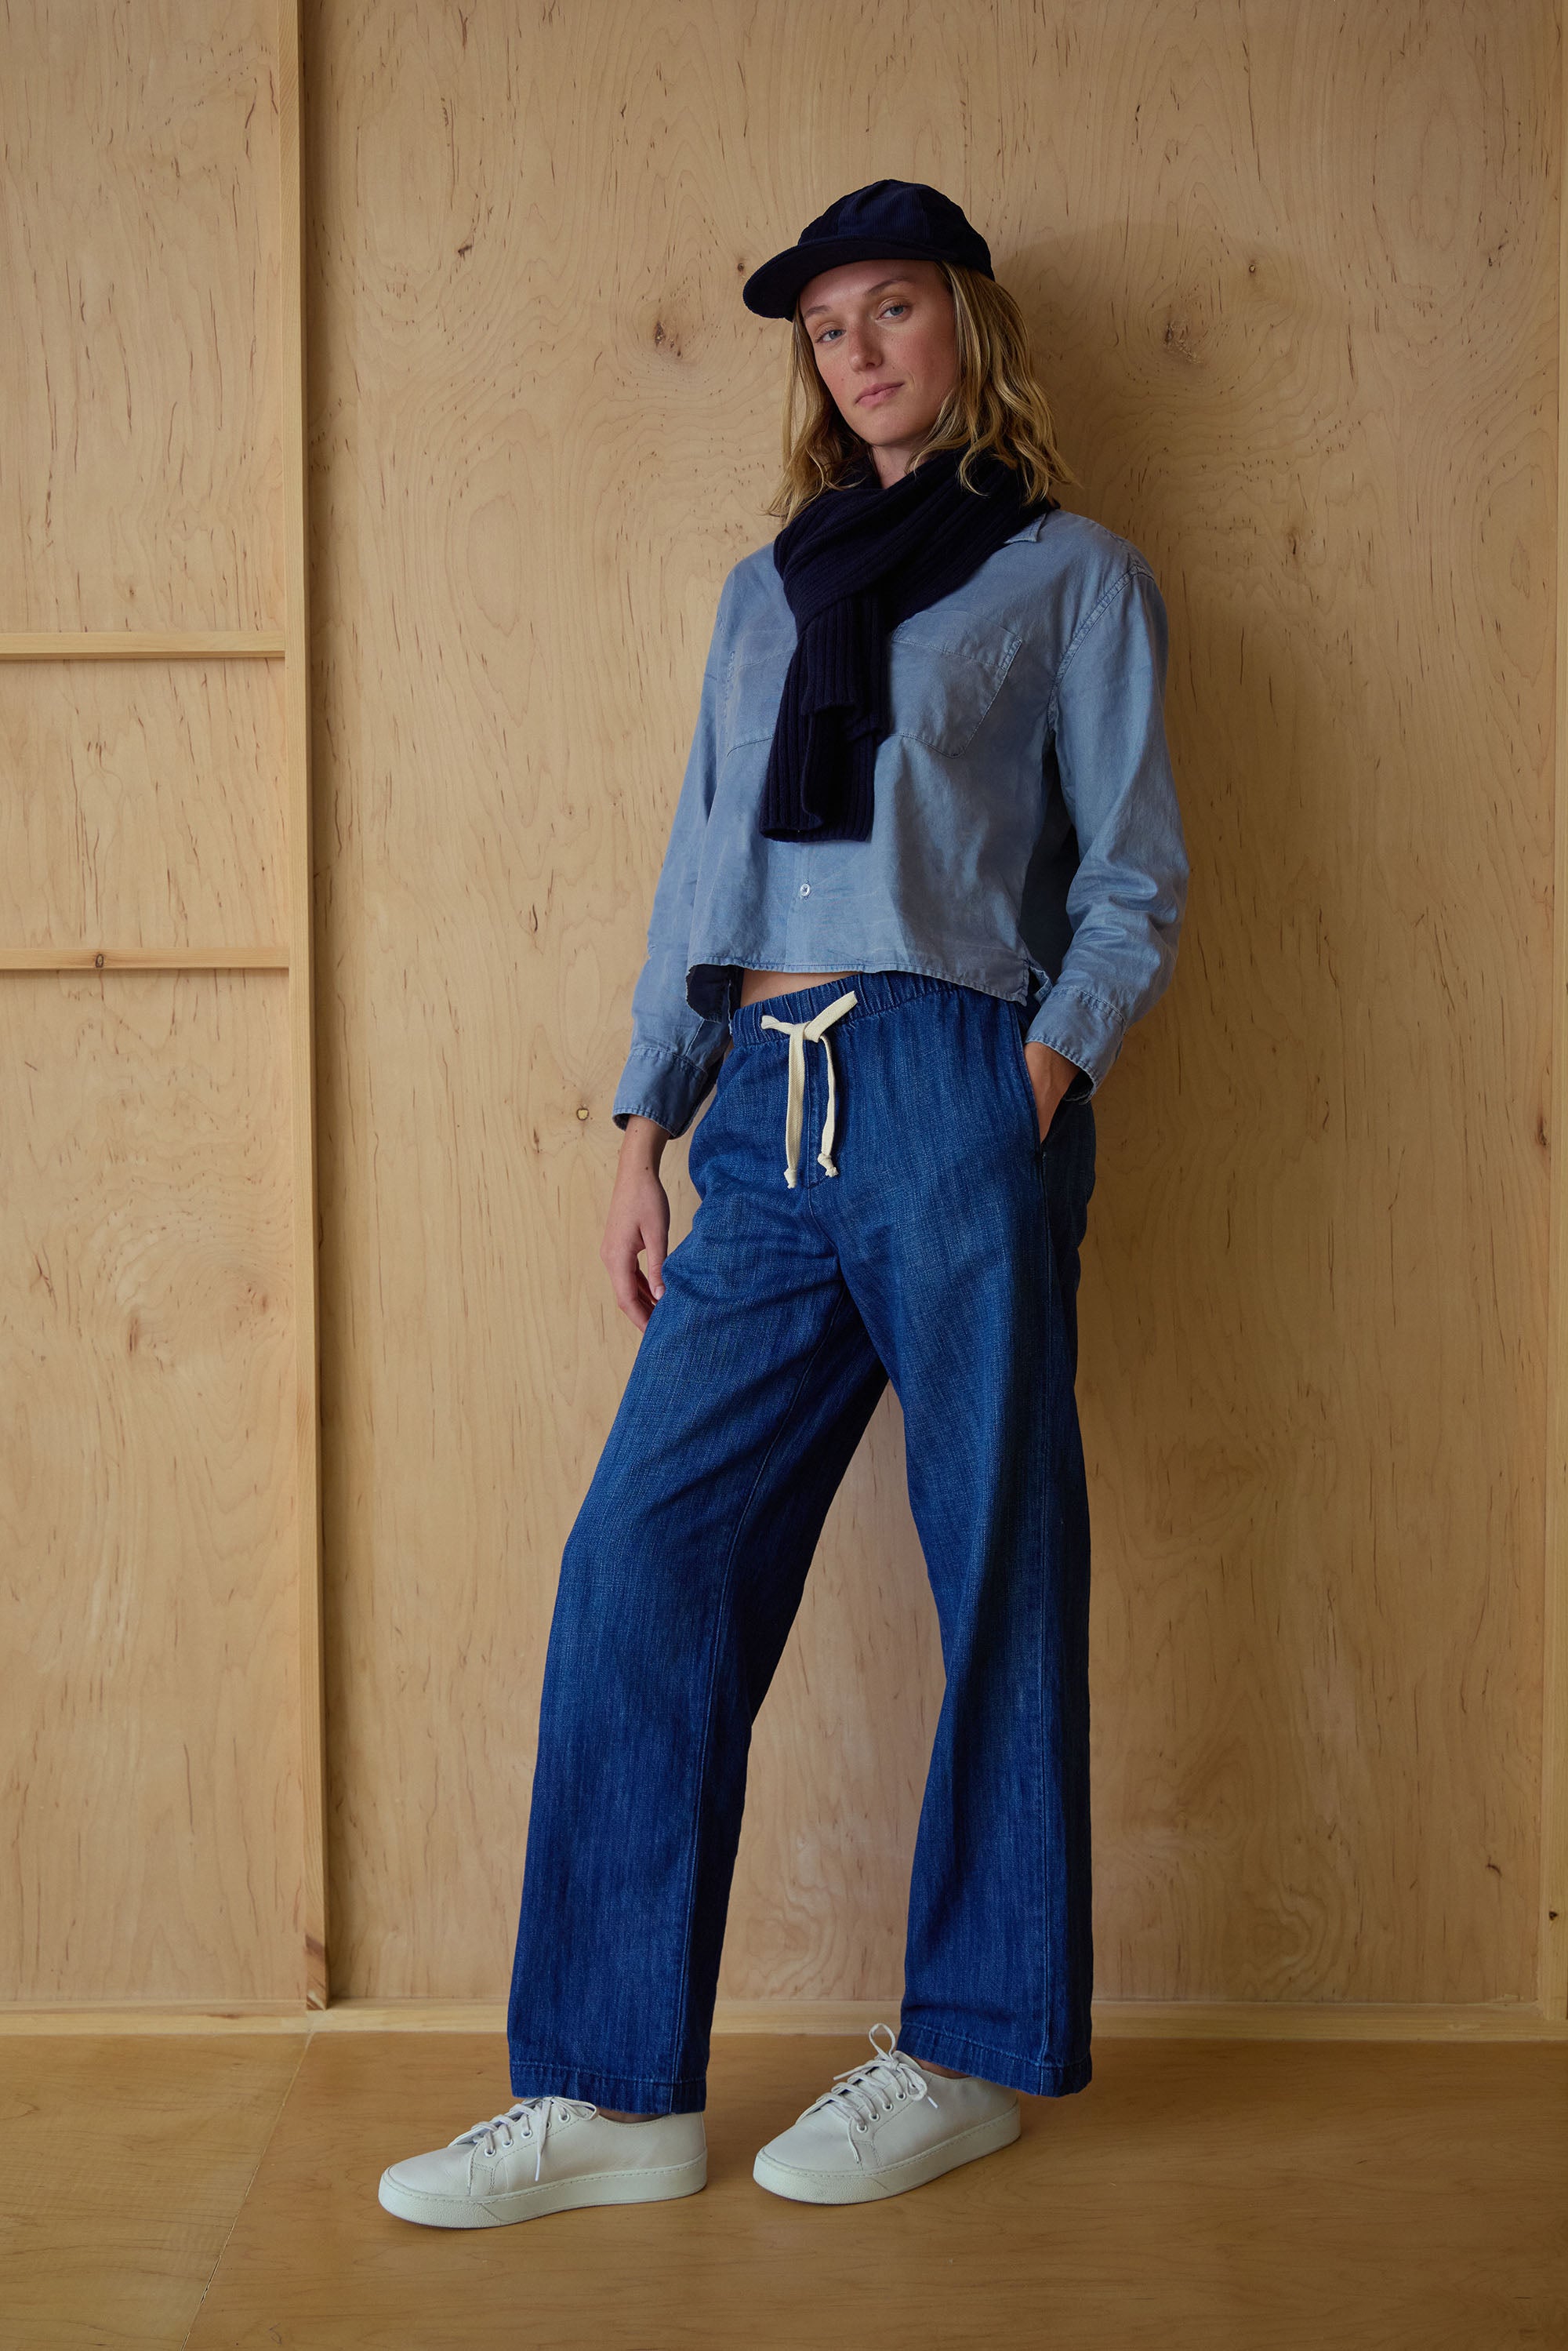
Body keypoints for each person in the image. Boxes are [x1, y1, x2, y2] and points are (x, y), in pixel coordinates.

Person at [379, 178, 1189, 2232]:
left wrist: (1030, 1079)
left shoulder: (1074, 578)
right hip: (763, 1102)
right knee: (642, 1562)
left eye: (891, 310)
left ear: (966, 325)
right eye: (828, 330)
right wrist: (640, 1123)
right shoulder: (769, 594)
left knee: (995, 1562)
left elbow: (1131, 875)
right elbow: (703, 867)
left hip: (952, 1081)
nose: (859, 353)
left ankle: (970, 2051)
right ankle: (608, 2094)